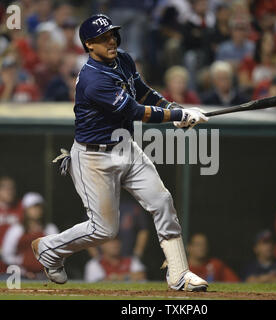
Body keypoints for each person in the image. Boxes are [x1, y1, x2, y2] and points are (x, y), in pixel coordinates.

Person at [31, 14, 208, 292]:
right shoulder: (92, 79)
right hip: (94, 158)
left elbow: (142, 92)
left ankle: (179, 273)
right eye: (103, 38)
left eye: (112, 34)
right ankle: (49, 249)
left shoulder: (122, 58)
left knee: (162, 201)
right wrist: (177, 114)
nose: (111, 40)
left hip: (125, 147)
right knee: (104, 230)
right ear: (89, 44)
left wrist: (172, 108)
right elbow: (133, 111)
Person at [2, 192, 58, 280]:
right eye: (33, 207)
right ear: (25, 210)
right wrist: (23, 266)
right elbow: (7, 254)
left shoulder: (50, 228)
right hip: (19, 275)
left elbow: (59, 252)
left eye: (39, 207)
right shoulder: (16, 229)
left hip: (45, 275)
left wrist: (46, 267)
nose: (36, 210)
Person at [0, 176, 23, 274]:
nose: (9, 191)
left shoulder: (21, 208)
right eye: (5, 188)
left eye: (12, 188)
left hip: (16, 265)